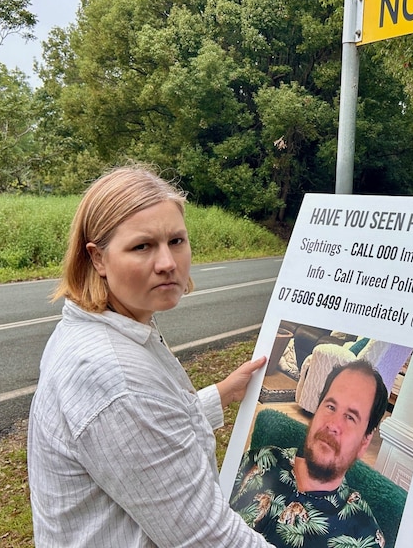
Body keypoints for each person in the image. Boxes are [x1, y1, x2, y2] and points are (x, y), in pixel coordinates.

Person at [27, 165, 273, 548]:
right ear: (98, 259)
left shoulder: (100, 326)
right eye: (142, 246)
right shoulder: (114, 378)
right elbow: (205, 537)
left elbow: (149, 429)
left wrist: (222, 393)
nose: (168, 263)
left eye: (176, 240)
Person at [230, 360, 389, 548]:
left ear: (364, 441)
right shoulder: (260, 460)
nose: (333, 425)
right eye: (330, 406)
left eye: (350, 417)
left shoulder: (364, 537)